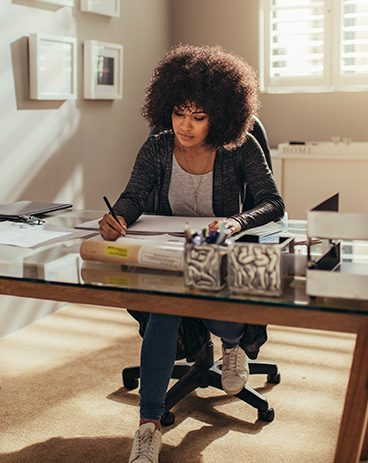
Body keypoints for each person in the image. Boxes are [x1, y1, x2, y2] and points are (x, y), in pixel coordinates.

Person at [97, 44, 285, 463]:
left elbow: (273, 203)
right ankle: (148, 428)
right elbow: (132, 196)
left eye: (198, 117)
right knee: (166, 305)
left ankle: (232, 345)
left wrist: (236, 221)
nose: (185, 125)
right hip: (171, 255)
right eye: (179, 113)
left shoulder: (240, 147)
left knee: (208, 301)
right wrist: (117, 219)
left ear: (220, 115)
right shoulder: (159, 147)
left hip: (219, 255)